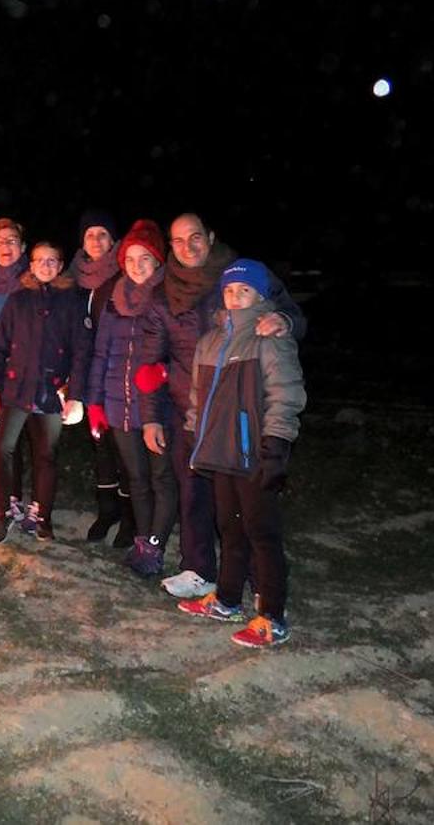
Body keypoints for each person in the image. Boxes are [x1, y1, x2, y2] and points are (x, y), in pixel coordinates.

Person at [136, 212, 307, 599]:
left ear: (210, 237)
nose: (187, 247)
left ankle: (254, 575)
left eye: (194, 237)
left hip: (243, 412)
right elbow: (151, 359)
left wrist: (283, 320)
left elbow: (292, 314)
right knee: (193, 492)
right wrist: (151, 417)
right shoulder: (163, 292)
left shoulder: (241, 274)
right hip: (190, 409)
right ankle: (199, 568)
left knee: (245, 503)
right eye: (177, 241)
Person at [177, 259, 306, 648]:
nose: (235, 297)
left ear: (260, 295)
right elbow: (199, 397)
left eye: (244, 290)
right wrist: (192, 434)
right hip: (220, 451)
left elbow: (287, 393)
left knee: (261, 532)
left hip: (255, 452)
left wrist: (276, 445)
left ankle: (272, 614)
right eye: (230, 291)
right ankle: (228, 599)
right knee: (229, 527)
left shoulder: (269, 336)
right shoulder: (211, 339)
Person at [86, 219, 178, 573]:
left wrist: (165, 372)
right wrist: (94, 403)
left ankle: (156, 542)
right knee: (136, 478)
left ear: (158, 261)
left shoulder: (168, 298)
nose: (137, 265)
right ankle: (144, 541)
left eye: (145, 258)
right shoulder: (114, 300)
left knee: (161, 477)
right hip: (116, 404)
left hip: (156, 407)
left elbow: (184, 350)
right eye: (131, 258)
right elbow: (100, 353)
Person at [0, 242, 91, 543]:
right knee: (1, 449)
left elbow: (82, 352)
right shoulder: (18, 301)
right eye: (39, 260)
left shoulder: (72, 301)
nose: (45, 266)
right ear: (30, 265)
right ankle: (3, 510)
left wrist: (75, 394)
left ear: (59, 266)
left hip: (52, 391)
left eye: (52, 260)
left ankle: (42, 515)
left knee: (46, 455)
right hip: (16, 389)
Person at [69, 209, 137, 545]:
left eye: (102, 235)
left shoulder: (124, 276)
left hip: (117, 373)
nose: (96, 241)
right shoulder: (74, 278)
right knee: (100, 445)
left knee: (123, 447)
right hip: (86, 373)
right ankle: (106, 509)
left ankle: (129, 517)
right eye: (89, 235)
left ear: (113, 241)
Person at [0, 217, 34, 529]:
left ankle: (37, 507)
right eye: (0, 241)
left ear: (23, 247)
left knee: (33, 443)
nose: (6, 246)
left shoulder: (33, 279)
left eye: (12, 240)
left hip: (30, 374)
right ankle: (11, 500)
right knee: (5, 442)